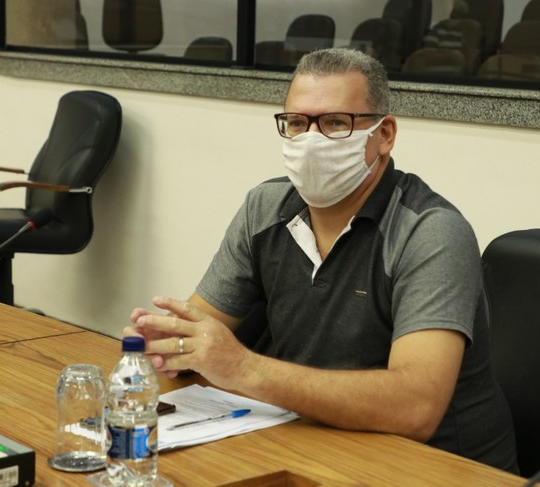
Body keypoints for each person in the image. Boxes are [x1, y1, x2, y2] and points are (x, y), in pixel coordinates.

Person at [126, 48, 518, 473]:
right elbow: (196, 334)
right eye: (297, 123)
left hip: (437, 469)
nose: (311, 141)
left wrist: (242, 367)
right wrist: (169, 347)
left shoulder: (430, 232)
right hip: (316, 443)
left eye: (334, 123)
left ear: (384, 134)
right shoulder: (264, 208)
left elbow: (415, 408)